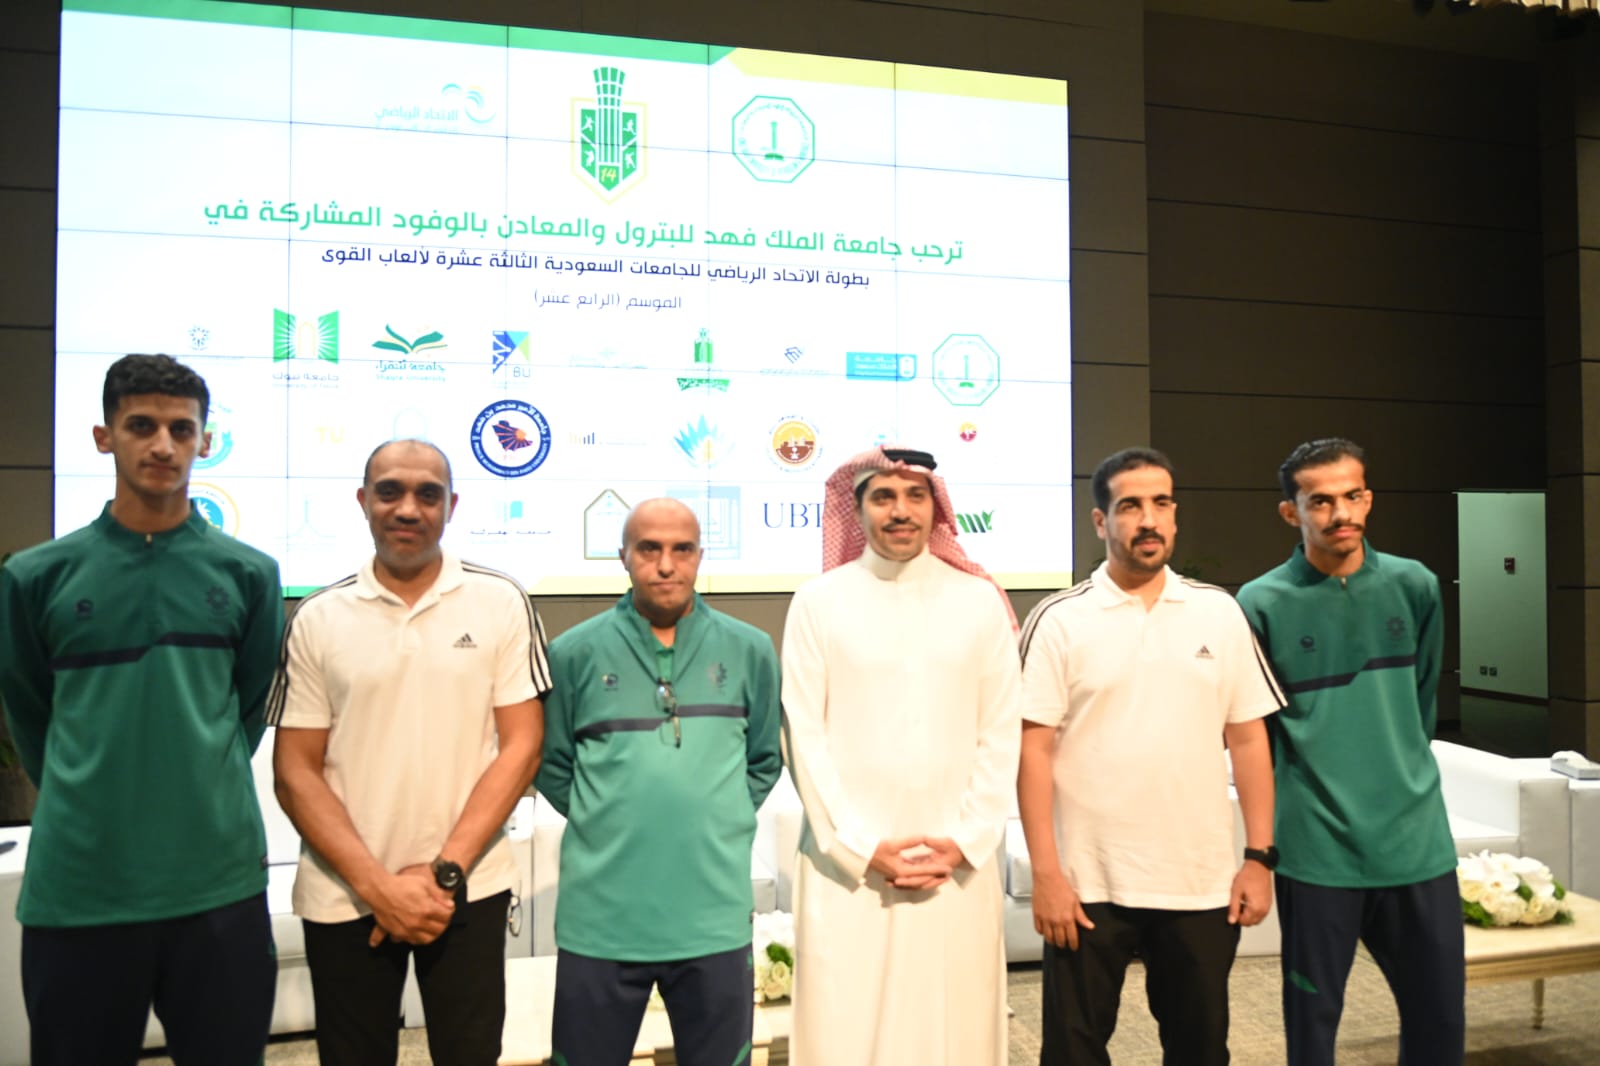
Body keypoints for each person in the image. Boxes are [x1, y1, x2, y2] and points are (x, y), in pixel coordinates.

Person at [0, 353, 283, 1065]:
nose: (163, 445)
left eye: (181, 429)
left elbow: (247, 709)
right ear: (104, 437)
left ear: (204, 441)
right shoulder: (36, 577)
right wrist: (85, 791)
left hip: (217, 886)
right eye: (141, 426)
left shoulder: (249, 574)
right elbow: (30, 713)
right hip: (80, 890)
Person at [269, 438, 549, 1066]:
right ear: (363, 500)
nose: (407, 508)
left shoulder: (501, 601)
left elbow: (523, 748)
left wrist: (443, 872)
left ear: (451, 506)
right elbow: (294, 772)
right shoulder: (317, 616)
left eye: (427, 494)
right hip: (344, 893)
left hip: (468, 886)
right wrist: (379, 889)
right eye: (389, 491)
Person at [1016, 447, 1284, 1066]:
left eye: (1161, 503)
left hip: (1198, 882)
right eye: (1130, 505)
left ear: (1176, 515)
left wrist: (1258, 859)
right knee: (1072, 1054)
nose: (1148, 519)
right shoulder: (1059, 619)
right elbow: (1032, 751)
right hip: (1087, 885)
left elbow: (1249, 740)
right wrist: (1047, 876)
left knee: (1200, 1051)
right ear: (1100, 520)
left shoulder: (1218, 611)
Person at [780, 444, 1022, 1066]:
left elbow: (1001, 733)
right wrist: (861, 847)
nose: (900, 511)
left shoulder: (979, 602)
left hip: (954, 865)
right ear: (856, 508)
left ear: (935, 507)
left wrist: (965, 841)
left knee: (955, 1028)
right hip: (847, 870)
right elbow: (803, 736)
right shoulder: (818, 602)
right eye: (882, 497)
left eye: (915, 496)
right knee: (845, 1025)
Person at [1236, 438, 1463, 1065]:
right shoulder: (1259, 602)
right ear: (1291, 512)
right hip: (1317, 850)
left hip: (1417, 843)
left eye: (1353, 495)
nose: (1341, 513)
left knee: (1440, 1019)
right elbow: (1259, 733)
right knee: (1313, 1029)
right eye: (1321, 501)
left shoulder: (1415, 585)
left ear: (1369, 498)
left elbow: (1420, 705)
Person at [536, 498, 782, 1066]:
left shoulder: (750, 650)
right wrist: (609, 819)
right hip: (601, 923)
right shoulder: (573, 654)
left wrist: (718, 816)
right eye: (649, 549)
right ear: (623, 555)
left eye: (681, 549)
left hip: (713, 920)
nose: (666, 564)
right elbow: (551, 763)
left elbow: (764, 759)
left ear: (700, 556)